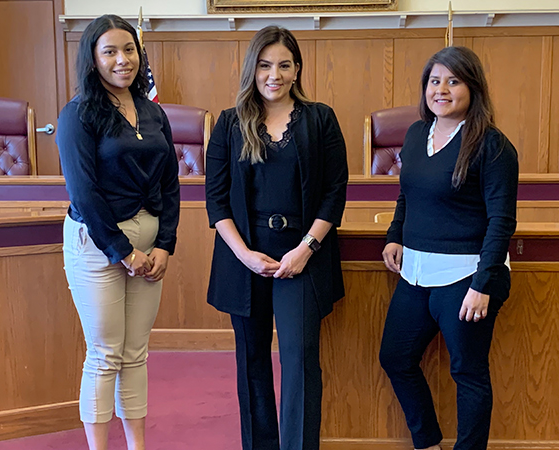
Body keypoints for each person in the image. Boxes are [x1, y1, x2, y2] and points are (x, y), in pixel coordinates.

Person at [204, 25, 348, 450]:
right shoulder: (230, 123)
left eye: (284, 64)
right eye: (265, 65)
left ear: (297, 69)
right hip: (244, 255)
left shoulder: (320, 118)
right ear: (252, 69)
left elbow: (334, 192)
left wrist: (307, 248)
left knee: (300, 360)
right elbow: (216, 200)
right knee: (252, 363)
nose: (275, 74)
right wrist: (245, 254)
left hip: (303, 255)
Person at [378, 46, 519, 450]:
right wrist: (394, 235)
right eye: (434, 81)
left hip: (467, 276)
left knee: (467, 372)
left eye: (453, 81)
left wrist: (484, 283)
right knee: (396, 357)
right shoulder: (416, 133)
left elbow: (502, 221)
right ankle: (427, 442)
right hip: (416, 271)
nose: (441, 90)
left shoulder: (492, 145)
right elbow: (407, 195)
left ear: (473, 87)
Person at [56, 14, 180, 450]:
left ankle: (137, 446)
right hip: (100, 245)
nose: (122, 60)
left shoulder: (152, 110)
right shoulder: (78, 114)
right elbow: (84, 193)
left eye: (129, 50)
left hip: (150, 245)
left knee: (135, 353)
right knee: (105, 354)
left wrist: (166, 244)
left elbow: (170, 182)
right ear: (92, 59)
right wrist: (124, 252)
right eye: (109, 51)